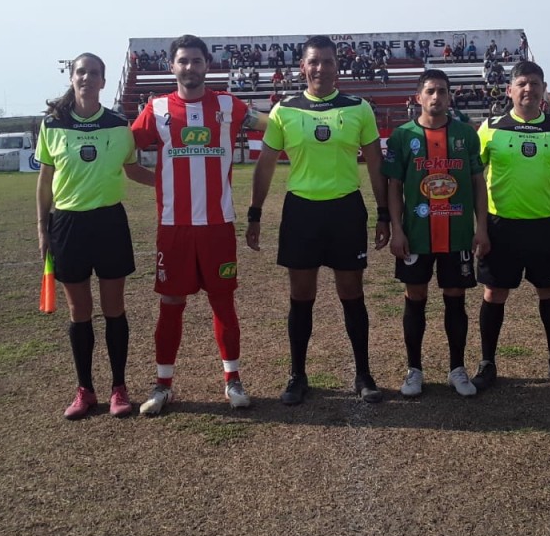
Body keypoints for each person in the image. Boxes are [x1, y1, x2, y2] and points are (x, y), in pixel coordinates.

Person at [246, 35, 390, 405]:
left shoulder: (358, 108)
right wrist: (255, 212)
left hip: (345, 209)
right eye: (314, 62)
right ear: (302, 67)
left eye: (327, 61)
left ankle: (363, 373)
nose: (321, 68)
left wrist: (384, 213)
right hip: (302, 212)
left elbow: (376, 164)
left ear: (337, 66)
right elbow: (265, 165)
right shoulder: (284, 110)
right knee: (301, 297)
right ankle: (297, 375)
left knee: (352, 294)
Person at [130, 35, 268, 415]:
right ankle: (163, 386)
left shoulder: (228, 105)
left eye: (196, 60)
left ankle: (233, 380)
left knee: (223, 303)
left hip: (217, 226)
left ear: (207, 64)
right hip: (173, 227)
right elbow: (124, 151)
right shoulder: (156, 109)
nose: (189, 67)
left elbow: (272, 126)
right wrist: (159, 182)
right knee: (170, 304)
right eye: (183, 61)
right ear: (171, 66)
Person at [36, 52, 145, 419]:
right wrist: (42, 227)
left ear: (103, 81)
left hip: (109, 223)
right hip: (67, 224)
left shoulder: (118, 124)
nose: (86, 78)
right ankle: (85, 390)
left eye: (93, 73)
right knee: (79, 311)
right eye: (80, 72)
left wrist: (173, 182)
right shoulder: (52, 124)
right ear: (72, 77)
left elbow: (133, 170)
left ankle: (118, 388)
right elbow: (45, 181)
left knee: (114, 308)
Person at [472, 60, 550, 390]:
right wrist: (479, 226)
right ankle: (487, 363)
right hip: (501, 226)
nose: (528, 89)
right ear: (509, 90)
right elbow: (475, 178)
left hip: (545, 226)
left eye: (534, 83)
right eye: (522, 83)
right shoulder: (491, 128)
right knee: (494, 293)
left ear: (543, 89)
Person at [383, 69, 489, 398]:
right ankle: (414, 369)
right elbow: (394, 186)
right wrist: (397, 230)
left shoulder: (466, 134)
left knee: (455, 299)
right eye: (430, 91)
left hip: (457, 234)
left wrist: (481, 227)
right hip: (416, 235)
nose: (436, 97)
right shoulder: (403, 136)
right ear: (418, 97)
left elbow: (477, 183)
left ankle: (457, 369)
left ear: (449, 96)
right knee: (415, 298)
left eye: (442, 91)